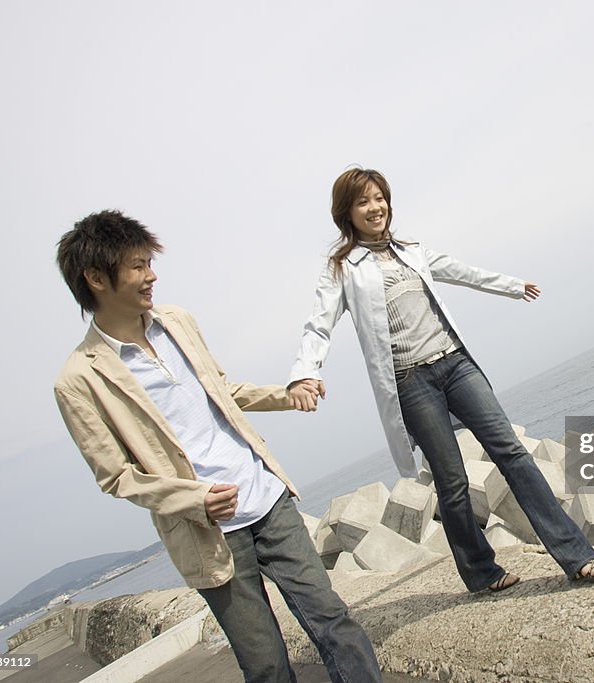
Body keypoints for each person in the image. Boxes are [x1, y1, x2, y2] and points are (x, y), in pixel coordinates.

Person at [53, 210, 382, 683]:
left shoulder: (177, 321)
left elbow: (221, 388)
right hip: (208, 533)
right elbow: (117, 476)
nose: (152, 275)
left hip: (266, 497)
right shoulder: (78, 379)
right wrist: (196, 500)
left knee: (333, 619)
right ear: (96, 278)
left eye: (149, 262)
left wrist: (286, 394)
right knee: (265, 663)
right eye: (138, 266)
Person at [287, 168, 594, 593]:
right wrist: (304, 375)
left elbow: (463, 271)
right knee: (452, 480)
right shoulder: (343, 269)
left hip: (455, 364)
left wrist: (513, 285)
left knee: (511, 451)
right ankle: (482, 572)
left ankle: (576, 555)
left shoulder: (412, 251)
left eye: (380, 197)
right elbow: (318, 326)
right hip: (411, 381)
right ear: (347, 213)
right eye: (363, 201)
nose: (375, 207)